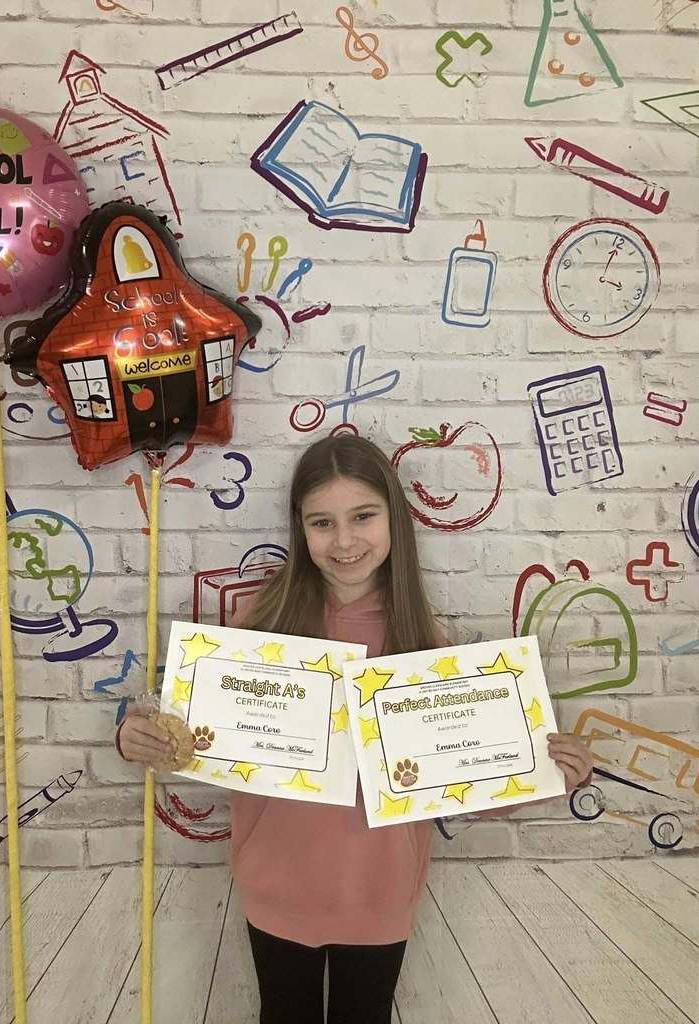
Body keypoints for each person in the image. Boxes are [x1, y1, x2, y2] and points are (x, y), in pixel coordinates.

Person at [116, 434, 595, 1024]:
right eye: (322, 522)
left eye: (363, 516)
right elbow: (187, 734)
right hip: (277, 883)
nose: (344, 541)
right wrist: (138, 735)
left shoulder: (423, 643)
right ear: (300, 528)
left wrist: (545, 771)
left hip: (380, 893)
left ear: (395, 517)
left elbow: (460, 780)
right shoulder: (261, 620)